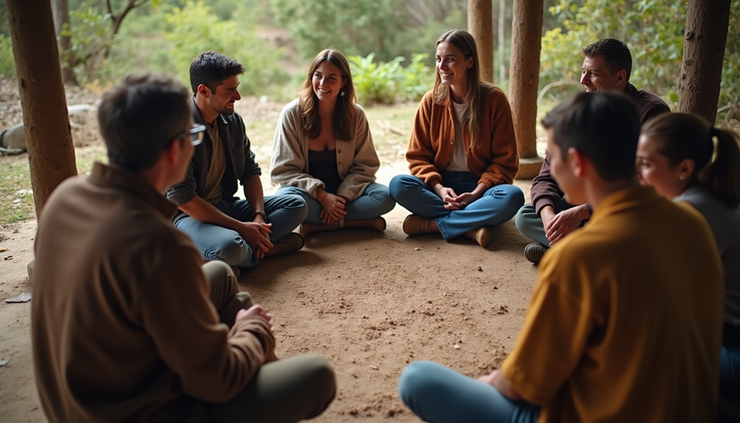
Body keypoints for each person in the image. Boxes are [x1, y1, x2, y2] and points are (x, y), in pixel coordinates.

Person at [398, 91, 724, 422]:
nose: (549, 166)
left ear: (578, 162)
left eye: (552, 157)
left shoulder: (579, 256)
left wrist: (491, 381)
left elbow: (522, 386)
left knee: (417, 379)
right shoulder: (693, 223)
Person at [31, 73, 335, 423]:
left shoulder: (64, 199)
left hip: (77, 401)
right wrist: (251, 331)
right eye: (192, 137)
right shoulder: (161, 246)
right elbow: (219, 381)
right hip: (145, 411)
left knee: (220, 276)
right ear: (175, 149)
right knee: (315, 374)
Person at [515, 38, 670, 264]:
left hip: (620, 208)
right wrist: (549, 219)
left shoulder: (651, 114)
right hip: (577, 204)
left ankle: (568, 251)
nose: (583, 80)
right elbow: (546, 176)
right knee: (526, 216)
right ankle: (588, 251)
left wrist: (583, 211)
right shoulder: (579, 110)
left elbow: (647, 183)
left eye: (593, 74)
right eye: (583, 71)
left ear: (620, 77)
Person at [637, 112, 740, 420]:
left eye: (646, 164)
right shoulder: (711, 194)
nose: (636, 173)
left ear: (684, 168)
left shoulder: (691, 212)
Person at [166, 51, 307, 273]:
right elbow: (184, 199)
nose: (238, 96)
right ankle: (269, 249)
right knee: (230, 246)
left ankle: (237, 256)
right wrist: (242, 227)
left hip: (226, 206)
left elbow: (250, 171)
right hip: (187, 218)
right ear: (203, 90)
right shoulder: (178, 129)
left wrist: (258, 215)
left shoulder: (232, 121)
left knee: (297, 205)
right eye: (229, 90)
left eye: (237, 87)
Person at [388, 29, 523, 248]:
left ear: (470, 62)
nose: (441, 66)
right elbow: (417, 157)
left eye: (450, 60)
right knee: (397, 185)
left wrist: (476, 193)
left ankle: (431, 225)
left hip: (481, 188)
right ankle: (471, 228)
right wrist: (440, 189)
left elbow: (505, 161)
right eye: (439, 59)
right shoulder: (430, 101)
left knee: (513, 197)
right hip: (439, 184)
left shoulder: (494, 100)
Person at [271, 49, 395, 236]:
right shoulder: (292, 114)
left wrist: (340, 198)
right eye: (318, 76)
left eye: (331, 78)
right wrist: (322, 196)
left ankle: (323, 224)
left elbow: (366, 166)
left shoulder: (356, 115)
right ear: (311, 77)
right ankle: (357, 222)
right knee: (285, 200)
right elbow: (283, 171)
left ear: (343, 82)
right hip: (309, 196)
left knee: (386, 197)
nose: (322, 83)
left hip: (348, 195)